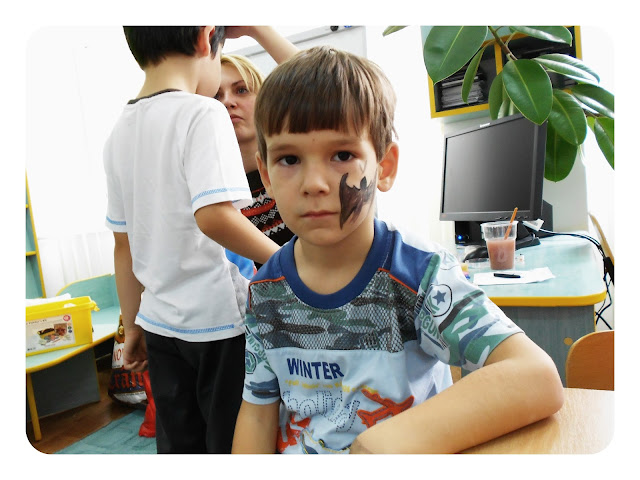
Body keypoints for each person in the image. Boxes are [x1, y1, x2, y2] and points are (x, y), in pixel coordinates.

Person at [231, 46, 565, 454]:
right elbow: (258, 411)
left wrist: (381, 445)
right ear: (265, 174)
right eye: (289, 159)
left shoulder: (419, 274)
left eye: (342, 155)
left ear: (385, 166)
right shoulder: (265, 291)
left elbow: (536, 376)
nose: (314, 183)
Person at [104, 26, 280, 454]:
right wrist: (284, 259)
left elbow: (123, 246)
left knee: (180, 442)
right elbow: (215, 217)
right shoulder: (203, 113)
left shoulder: (118, 132)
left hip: (160, 324)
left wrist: (133, 324)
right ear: (206, 38)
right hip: (217, 322)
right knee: (232, 440)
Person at [215, 28, 298, 258]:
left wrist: (256, 28)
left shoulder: (295, 166)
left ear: (265, 99)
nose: (228, 102)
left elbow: (322, 82)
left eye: (241, 90)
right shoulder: (211, 196)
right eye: (216, 96)